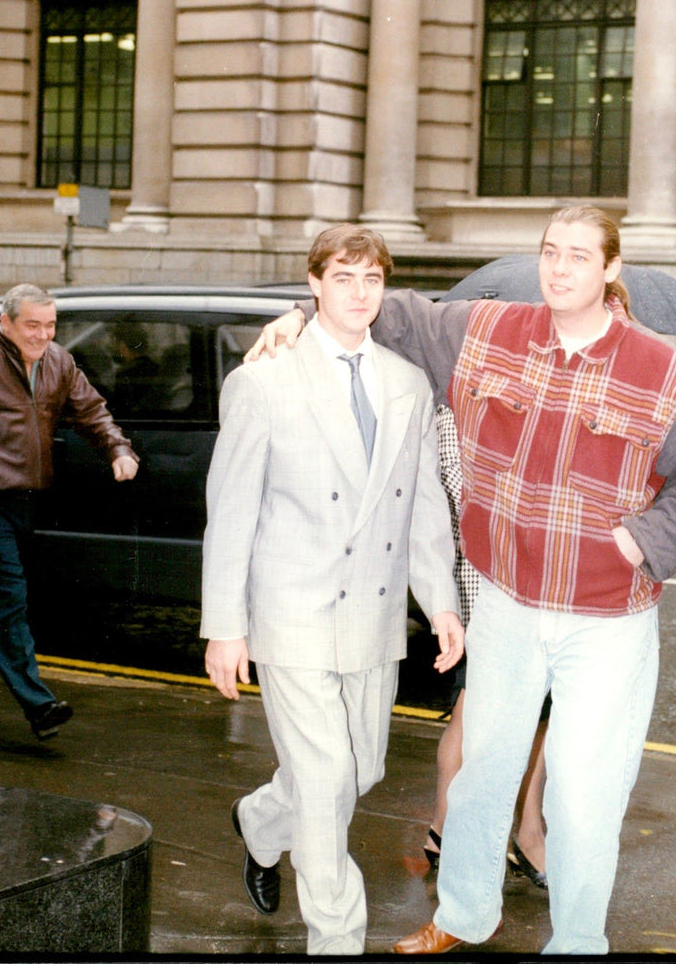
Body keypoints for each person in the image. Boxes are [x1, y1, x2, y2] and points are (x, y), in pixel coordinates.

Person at [247, 205, 676, 955]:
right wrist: (300, 313)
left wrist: (642, 539)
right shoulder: (489, 332)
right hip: (509, 605)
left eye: (579, 256)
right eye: (551, 252)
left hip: (607, 621)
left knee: (583, 796)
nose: (559, 269)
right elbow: (390, 311)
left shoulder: (660, 371)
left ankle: (578, 941)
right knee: (483, 777)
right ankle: (461, 916)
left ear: (610, 269)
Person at [200, 225, 464, 955]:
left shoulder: (405, 384)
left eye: (371, 279)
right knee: (322, 783)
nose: (358, 293)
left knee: (362, 769)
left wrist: (440, 600)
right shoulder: (263, 381)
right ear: (312, 285)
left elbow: (422, 505)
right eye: (342, 277)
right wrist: (225, 625)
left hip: (374, 615)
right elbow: (233, 510)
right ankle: (336, 937)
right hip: (292, 611)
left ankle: (260, 821)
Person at [0, 283, 139, 740]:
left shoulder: (58, 361)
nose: (43, 335)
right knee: (9, 599)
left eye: (50, 325)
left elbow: (92, 410)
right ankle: (39, 706)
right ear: (6, 322)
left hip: (25, 499)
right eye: (32, 326)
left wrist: (118, 449)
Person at [428, 404, 550, 889]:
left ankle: (526, 830)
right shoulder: (462, 396)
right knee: (473, 709)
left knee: (542, 710)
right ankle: (448, 828)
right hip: (488, 581)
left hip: (536, 580)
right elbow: (465, 494)